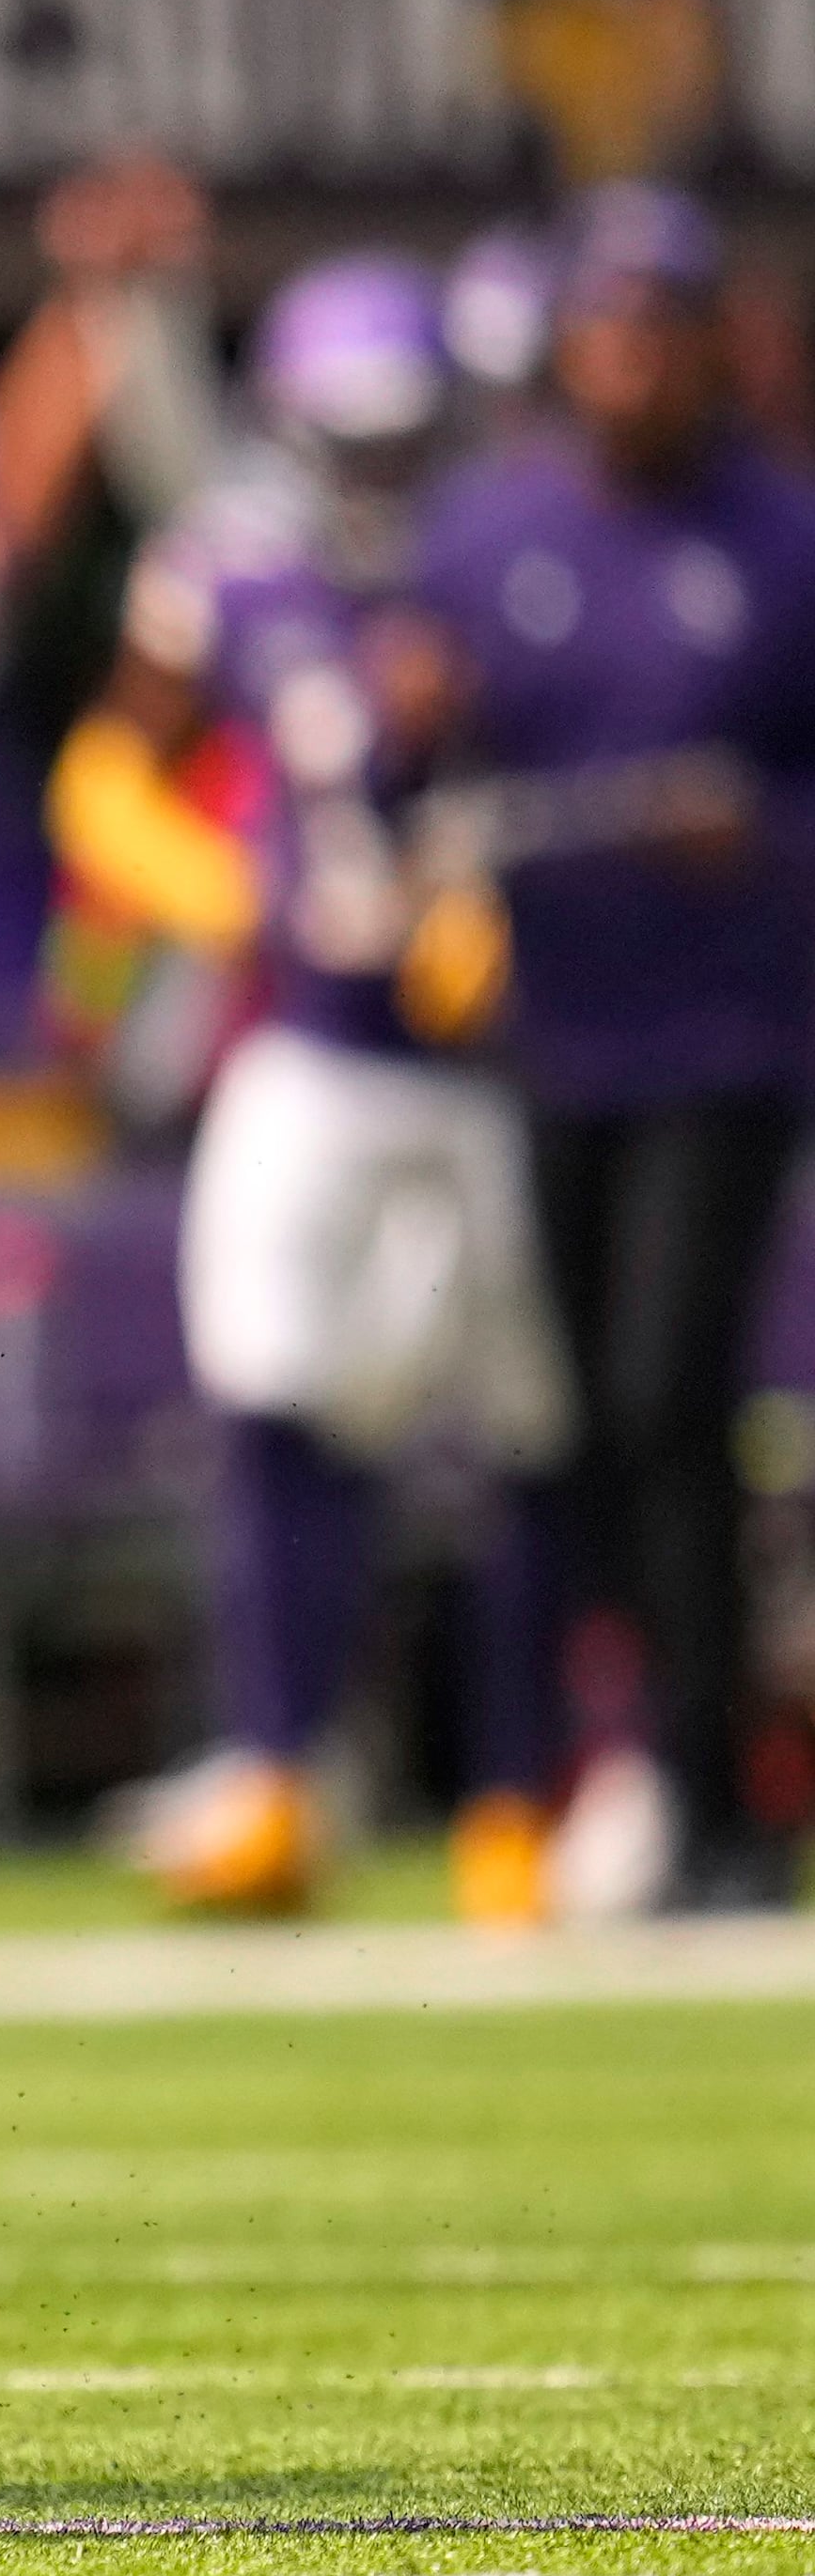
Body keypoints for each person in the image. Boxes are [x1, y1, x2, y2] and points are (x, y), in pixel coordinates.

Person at [52, 255, 578, 1924]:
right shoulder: (242, 564)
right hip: (314, 1046)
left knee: (527, 1431)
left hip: (508, 1067)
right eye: (354, 440)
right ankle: (281, 1772)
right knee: (269, 1396)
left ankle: (523, 1798)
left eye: (408, 440)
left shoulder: (524, 561)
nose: (382, 477)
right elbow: (107, 773)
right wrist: (231, 895)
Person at [399, 185, 815, 1916]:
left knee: (671, 1397)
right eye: (609, 324)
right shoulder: (486, 535)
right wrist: (406, 716)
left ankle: (718, 1797)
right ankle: (627, 1769)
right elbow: (405, 759)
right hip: (547, 1043)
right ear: (569, 345)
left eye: (665, 324)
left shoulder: (781, 539)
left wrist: (766, 836)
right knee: (575, 1426)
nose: (635, 357)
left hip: (720, 1035)